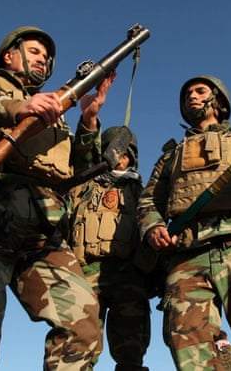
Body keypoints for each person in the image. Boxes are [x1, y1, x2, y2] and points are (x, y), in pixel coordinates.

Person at [0, 25, 116, 370]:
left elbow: (79, 174)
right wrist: (16, 106)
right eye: (34, 52)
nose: (42, 61)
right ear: (9, 56)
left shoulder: (55, 114)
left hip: (44, 232)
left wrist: (89, 121)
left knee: (85, 327)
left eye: (46, 58)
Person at [137, 75, 231, 370]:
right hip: (186, 254)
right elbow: (148, 202)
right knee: (187, 344)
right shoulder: (169, 158)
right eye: (186, 95)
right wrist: (153, 228)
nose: (191, 97)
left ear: (218, 101)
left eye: (199, 91)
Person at [66, 126, 153, 371]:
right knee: (75, 345)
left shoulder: (142, 191)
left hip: (129, 275)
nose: (120, 158)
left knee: (131, 350)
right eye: (114, 152)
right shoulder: (83, 185)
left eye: (125, 153)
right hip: (84, 272)